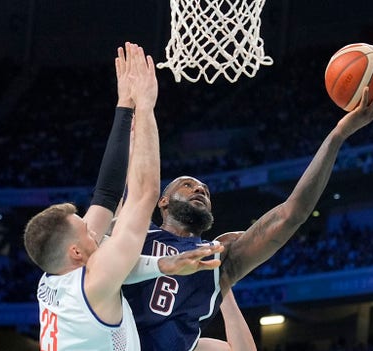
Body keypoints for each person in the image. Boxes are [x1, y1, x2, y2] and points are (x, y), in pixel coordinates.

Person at [122, 86, 373, 350]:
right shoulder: (137, 235)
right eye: (187, 185)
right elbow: (130, 185)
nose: (200, 190)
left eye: (205, 190)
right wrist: (132, 128)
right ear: (163, 201)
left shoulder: (219, 257)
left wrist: (338, 135)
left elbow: (291, 214)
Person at [23, 42, 223, 350]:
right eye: (87, 232)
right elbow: (145, 195)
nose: (96, 231)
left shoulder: (55, 277)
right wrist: (145, 106)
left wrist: (124, 106)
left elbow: (105, 194)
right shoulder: (93, 282)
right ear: (76, 252)